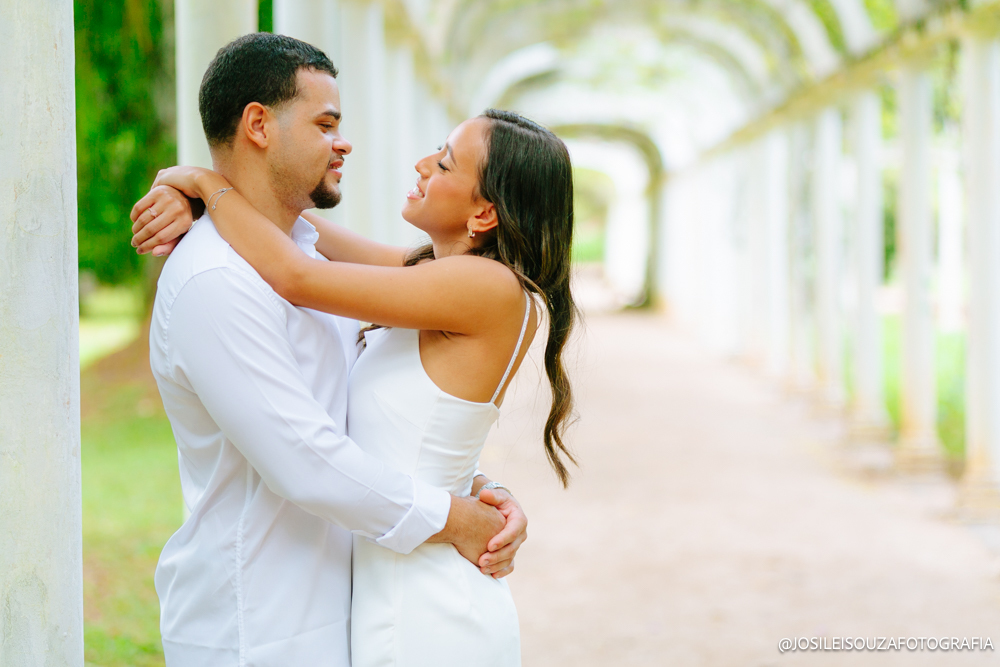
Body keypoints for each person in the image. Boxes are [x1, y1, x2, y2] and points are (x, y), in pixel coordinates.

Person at [130, 33, 531, 667]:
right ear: (258, 125)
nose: (343, 142)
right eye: (325, 124)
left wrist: (470, 482)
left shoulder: (314, 260)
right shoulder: (217, 279)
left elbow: (362, 406)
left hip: (348, 611)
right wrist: (454, 515)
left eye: (446, 163)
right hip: (256, 625)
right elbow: (305, 460)